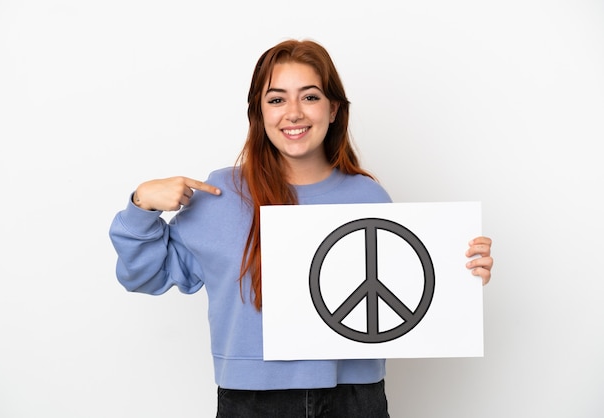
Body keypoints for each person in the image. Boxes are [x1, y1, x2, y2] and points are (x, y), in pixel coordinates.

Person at [109, 39, 494, 418]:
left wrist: (457, 271)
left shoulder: (367, 196)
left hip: (355, 396)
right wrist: (141, 205)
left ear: (333, 110)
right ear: (258, 113)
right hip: (253, 401)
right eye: (276, 99)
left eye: (309, 97)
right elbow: (144, 277)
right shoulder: (220, 196)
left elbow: (400, 287)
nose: (293, 112)